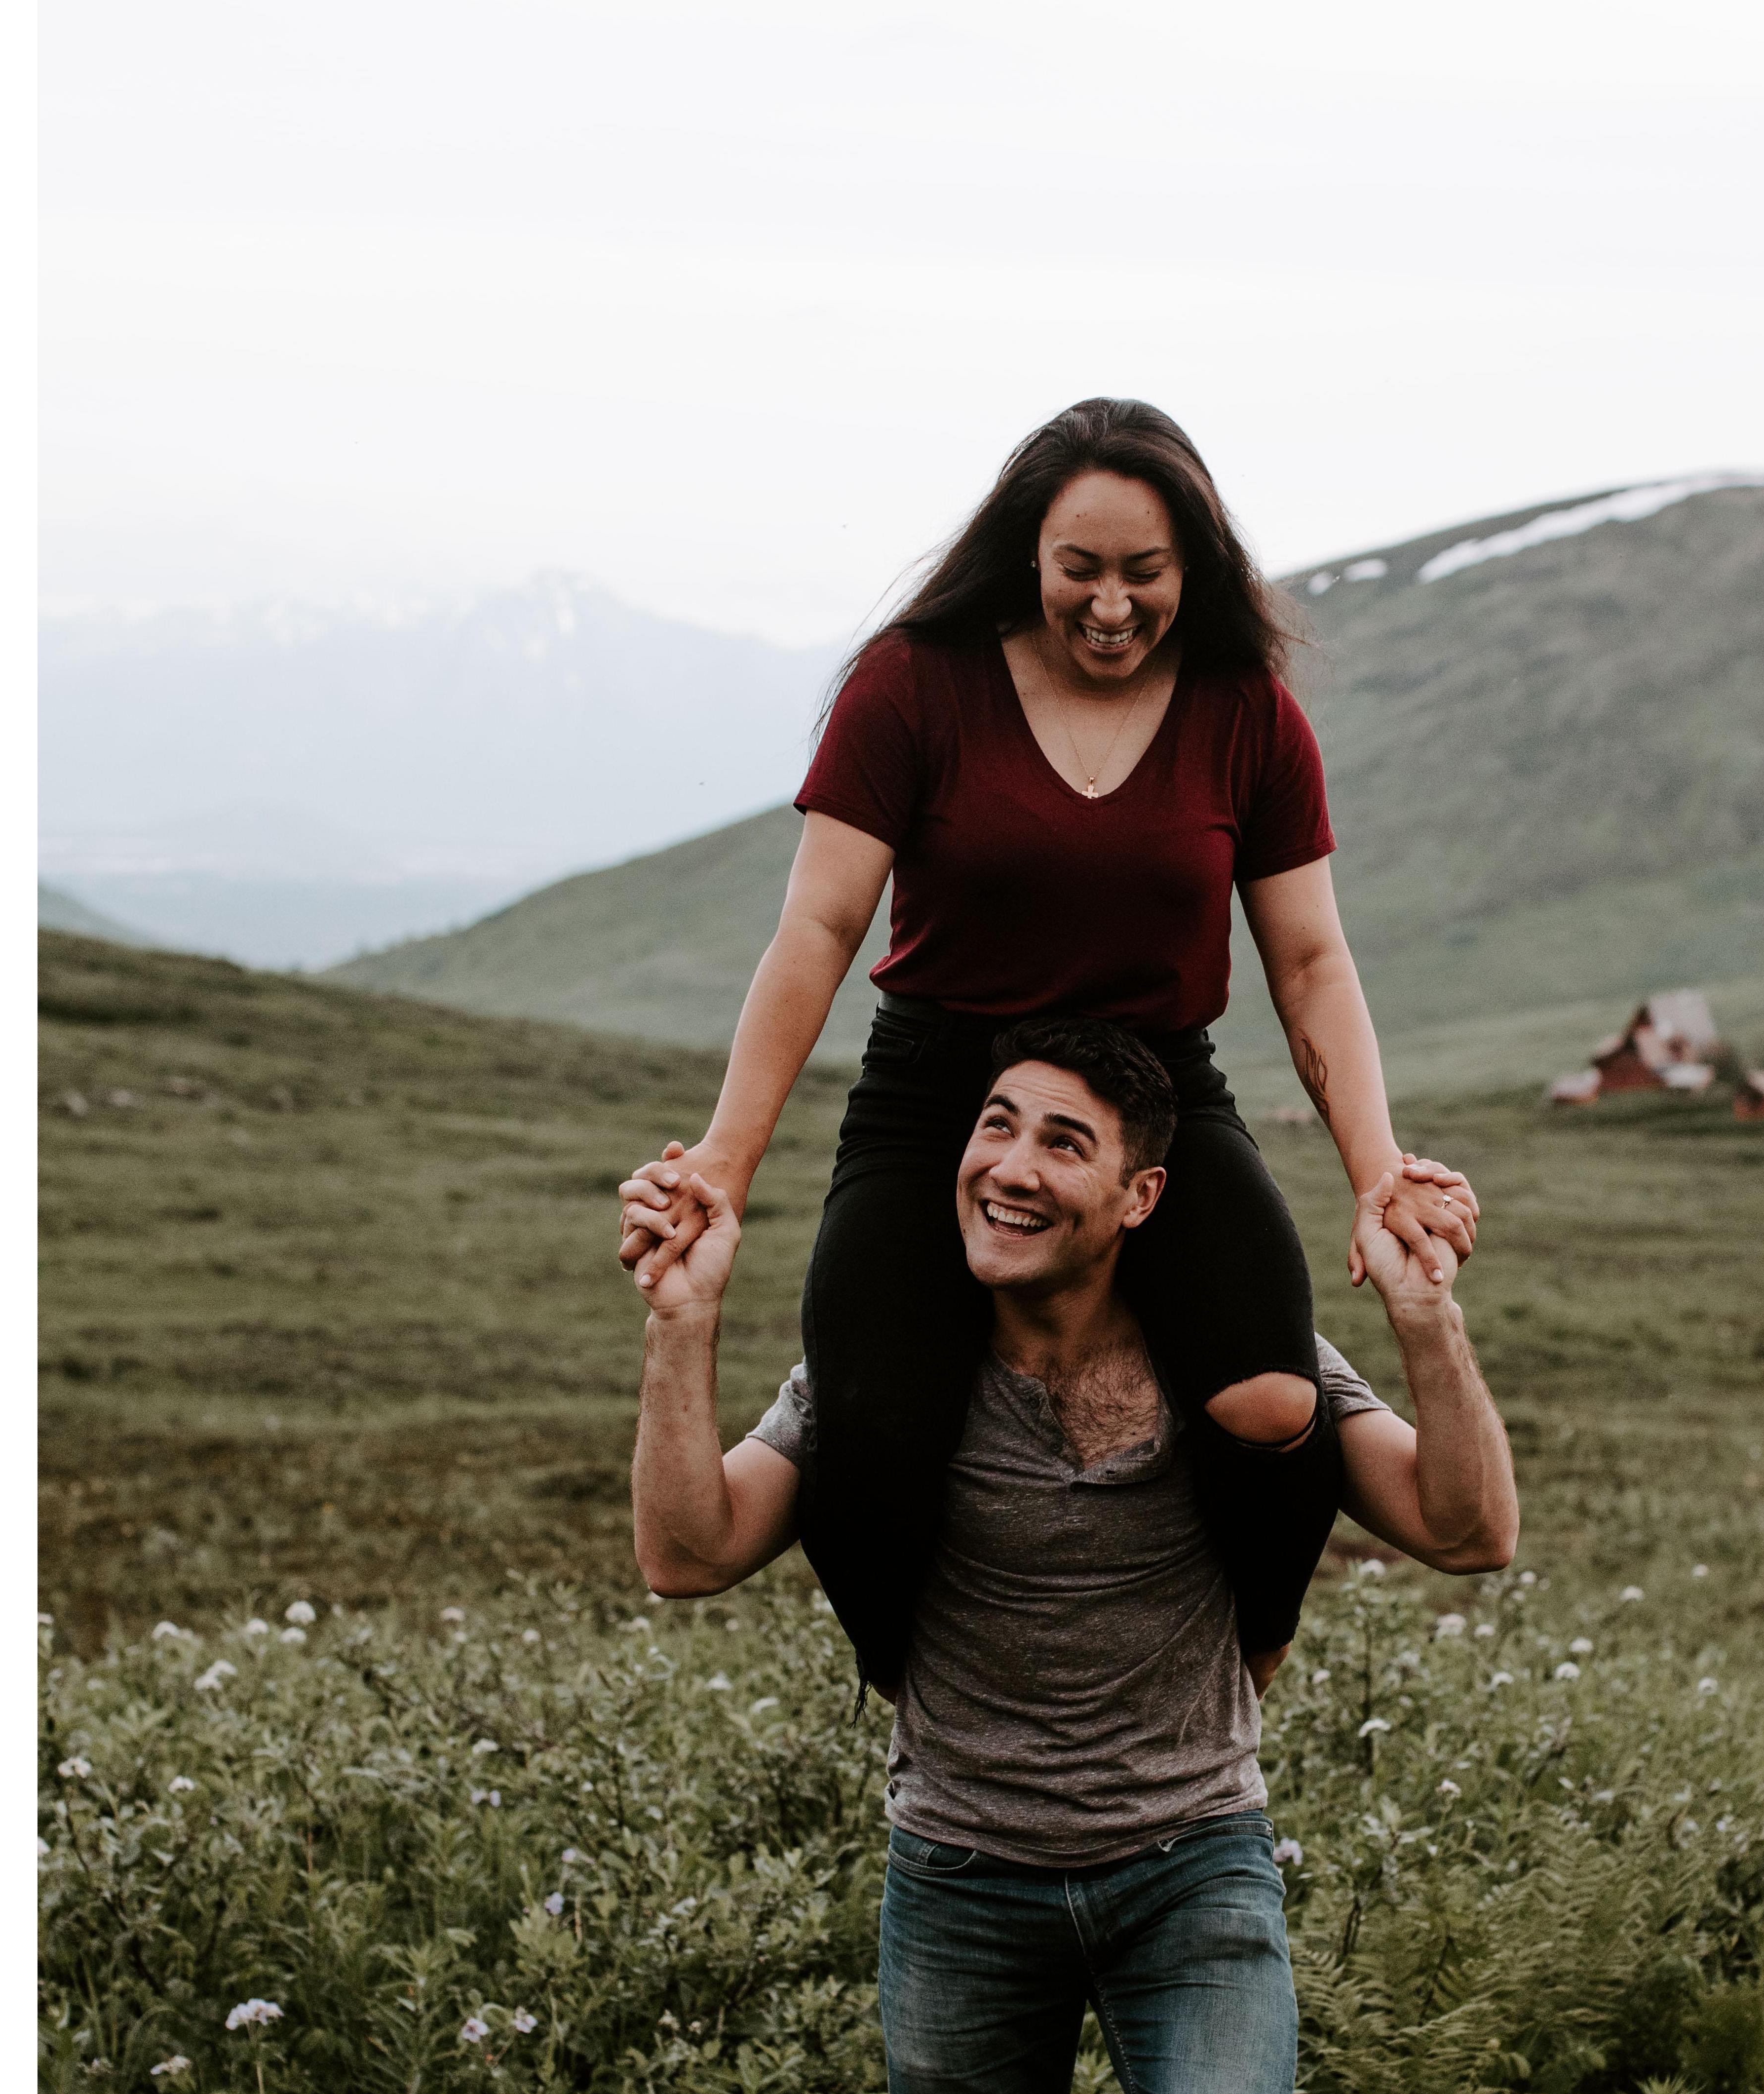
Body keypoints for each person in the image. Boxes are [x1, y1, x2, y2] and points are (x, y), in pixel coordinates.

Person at [627, 1014, 1518, 2094]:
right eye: (993, 1126)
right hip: (959, 1877)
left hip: (1194, 1865)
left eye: (1060, 1144)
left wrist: (1425, 1320)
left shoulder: (1239, 1359)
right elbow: (690, 1551)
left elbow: (1470, 1529)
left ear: (1141, 1194)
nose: (1007, 1167)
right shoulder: (886, 1363)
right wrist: (681, 1328)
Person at [617, 396, 1479, 1701]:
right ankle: (927, 1702)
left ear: (1190, 568)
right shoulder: (912, 683)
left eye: (1146, 573)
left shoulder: (1246, 709)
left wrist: (1374, 1168)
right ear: (1029, 551)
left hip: (1153, 1098)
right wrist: (726, 1162)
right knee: (872, 1437)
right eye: (1082, 568)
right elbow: (818, 928)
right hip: (934, 1099)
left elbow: (1308, 961)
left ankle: (1241, 1671)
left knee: (1269, 1405)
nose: (1113, 604)